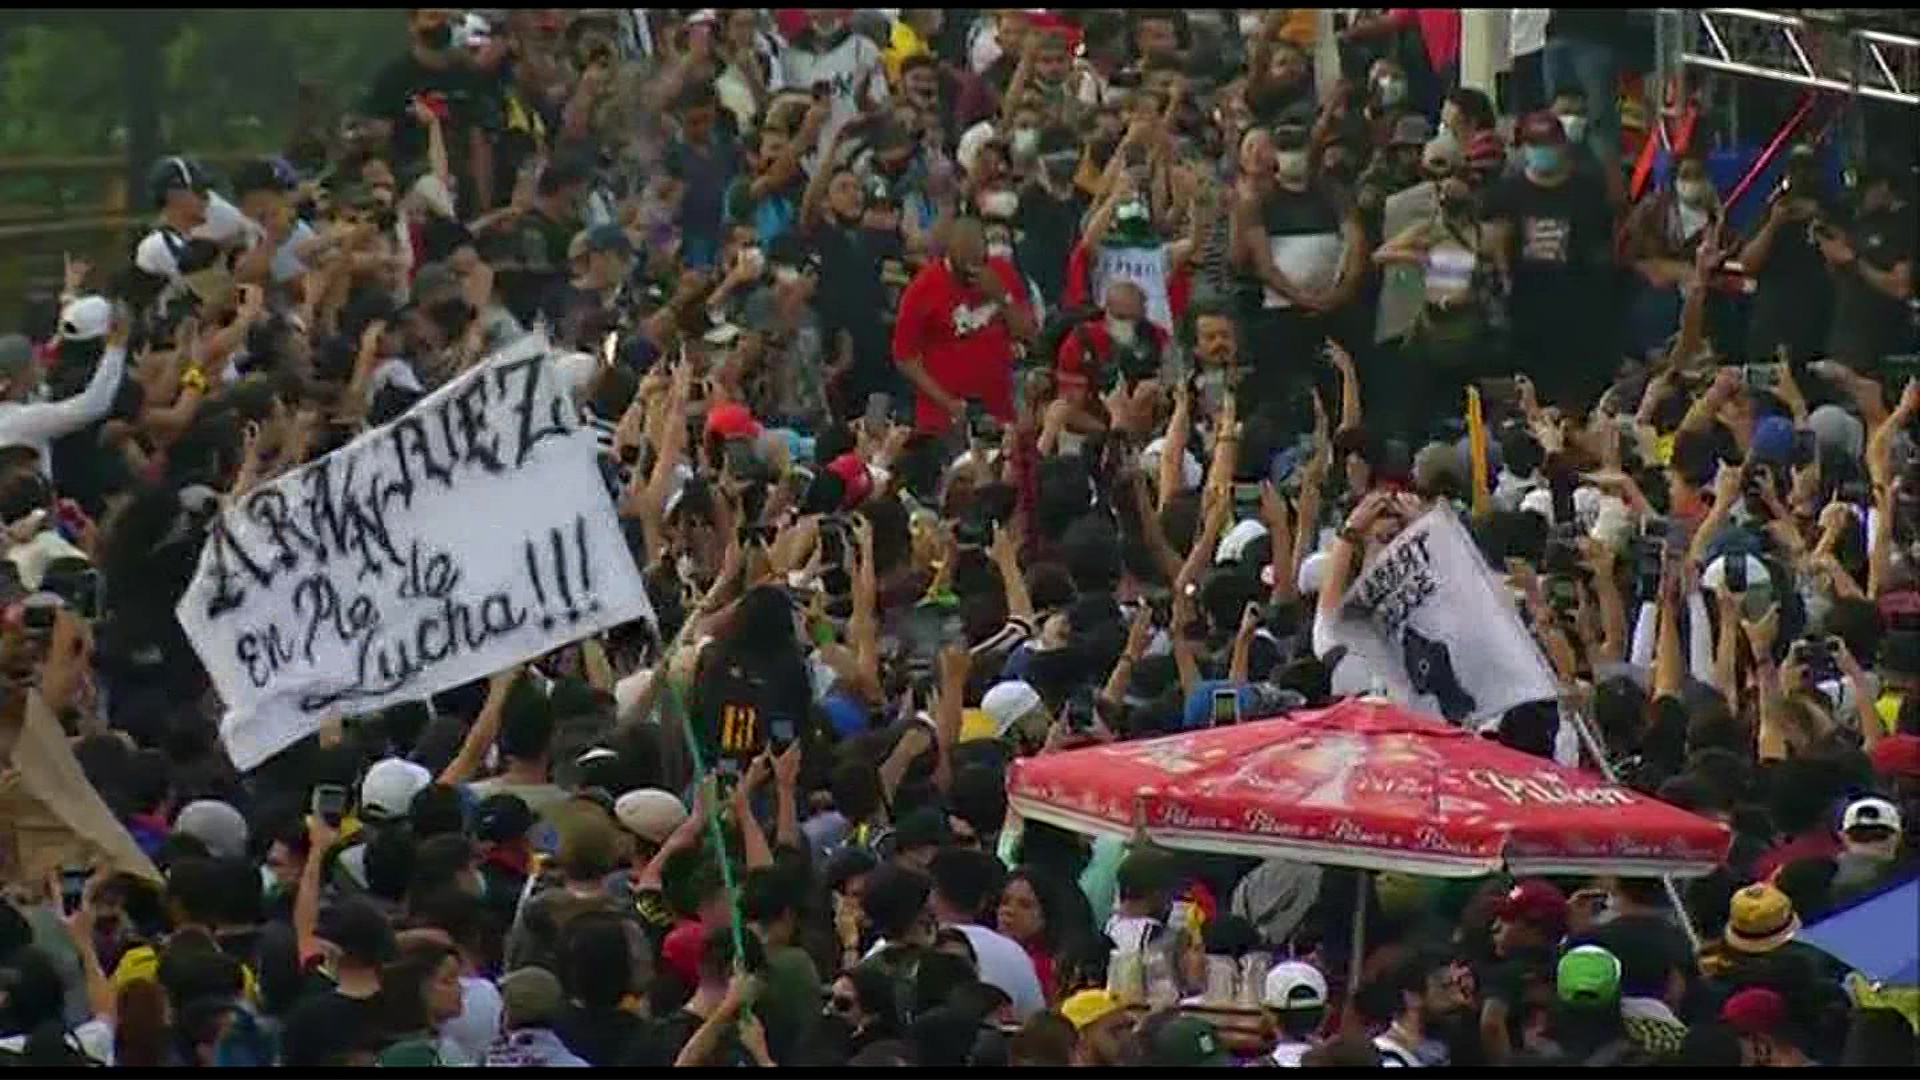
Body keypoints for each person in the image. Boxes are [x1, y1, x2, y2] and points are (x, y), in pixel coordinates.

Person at [892, 215, 1036, 434]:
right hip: (942, 416)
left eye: (978, 262)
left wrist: (1002, 296)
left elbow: (1028, 333)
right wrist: (948, 402)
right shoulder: (922, 289)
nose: (973, 272)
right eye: (966, 265)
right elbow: (905, 358)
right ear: (949, 252)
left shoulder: (1001, 273)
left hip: (998, 409)